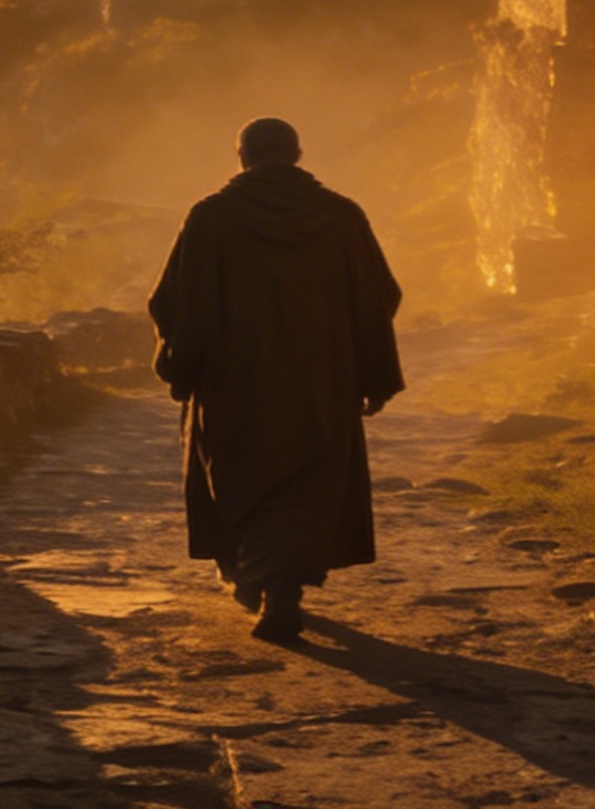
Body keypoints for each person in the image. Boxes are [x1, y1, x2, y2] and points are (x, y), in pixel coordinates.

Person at [146, 117, 403, 643]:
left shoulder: (211, 218)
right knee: (307, 484)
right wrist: (371, 373)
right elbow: (377, 298)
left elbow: (177, 303)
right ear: (298, 155)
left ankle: (267, 585)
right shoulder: (341, 218)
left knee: (244, 480)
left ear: (241, 157)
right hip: (321, 383)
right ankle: (278, 585)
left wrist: (179, 367)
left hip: (233, 385)